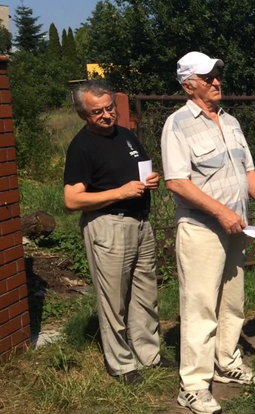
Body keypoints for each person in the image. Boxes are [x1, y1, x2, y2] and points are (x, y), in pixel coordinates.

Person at [162, 51, 255, 414]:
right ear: (188, 84)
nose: (216, 81)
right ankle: (193, 386)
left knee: (232, 300)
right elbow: (177, 182)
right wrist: (221, 211)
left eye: (216, 75)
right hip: (202, 230)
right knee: (199, 308)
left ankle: (226, 363)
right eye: (208, 76)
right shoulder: (177, 124)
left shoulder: (230, 121)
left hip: (235, 228)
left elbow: (248, 169)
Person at [63, 80, 168, 386]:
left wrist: (151, 180)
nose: (108, 115)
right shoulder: (81, 147)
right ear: (84, 114)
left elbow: (139, 170)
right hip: (108, 225)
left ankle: (149, 355)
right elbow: (72, 200)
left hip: (139, 222)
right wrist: (120, 192)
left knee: (145, 294)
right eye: (98, 112)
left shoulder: (126, 135)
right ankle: (121, 364)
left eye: (109, 108)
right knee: (113, 300)